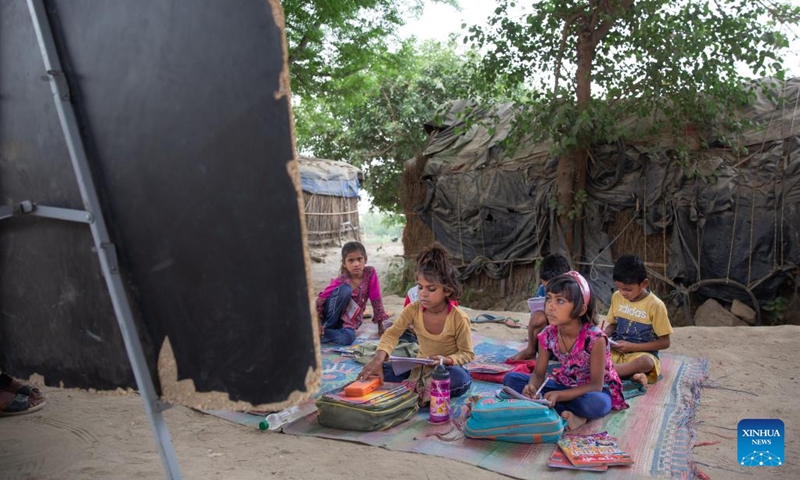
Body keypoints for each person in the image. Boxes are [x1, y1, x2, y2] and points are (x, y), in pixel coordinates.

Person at [503, 271, 628, 431]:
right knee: (511, 380)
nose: (550, 306)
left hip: (594, 391)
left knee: (594, 404)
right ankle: (566, 412)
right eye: (549, 299)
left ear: (581, 309)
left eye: (560, 301)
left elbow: (596, 385)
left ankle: (562, 409)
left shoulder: (596, 338)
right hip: (565, 383)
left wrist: (559, 396)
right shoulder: (547, 334)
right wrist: (531, 387)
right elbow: (539, 374)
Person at [358, 243, 474, 402]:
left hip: (448, 369)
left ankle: (422, 387)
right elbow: (392, 333)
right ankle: (423, 387)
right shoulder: (413, 309)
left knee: (459, 379)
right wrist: (377, 359)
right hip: (419, 368)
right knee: (380, 370)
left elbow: (467, 354)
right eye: (420, 287)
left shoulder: (459, 318)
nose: (423, 294)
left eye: (431, 289)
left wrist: (447, 360)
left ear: (447, 290)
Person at [604, 254, 673, 386]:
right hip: (616, 350)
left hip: (640, 353)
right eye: (619, 288)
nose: (623, 293)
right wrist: (603, 337)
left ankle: (610, 371)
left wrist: (633, 347)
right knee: (592, 351)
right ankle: (630, 375)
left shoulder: (656, 305)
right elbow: (612, 325)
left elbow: (665, 342)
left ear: (644, 284)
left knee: (646, 362)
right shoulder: (617, 297)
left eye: (628, 289)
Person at [316, 241, 390, 345]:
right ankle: (324, 329)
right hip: (330, 318)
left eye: (359, 259)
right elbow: (320, 300)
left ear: (365, 259)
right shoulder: (341, 280)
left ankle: (318, 335)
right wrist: (318, 323)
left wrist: (380, 325)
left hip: (349, 321)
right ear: (344, 264)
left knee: (348, 338)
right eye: (351, 260)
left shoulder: (370, 273)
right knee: (345, 289)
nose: (356, 264)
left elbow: (376, 299)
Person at [509, 253, 571, 361]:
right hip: (549, 339)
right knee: (538, 317)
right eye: (547, 287)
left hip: (570, 341)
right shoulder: (542, 289)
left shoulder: (576, 291)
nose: (548, 290)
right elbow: (536, 318)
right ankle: (530, 350)